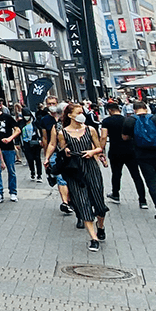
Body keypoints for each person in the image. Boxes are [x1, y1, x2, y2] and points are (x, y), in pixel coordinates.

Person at [54, 102, 108, 251]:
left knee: (99, 203)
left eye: (82, 112)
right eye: (78, 113)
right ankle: (93, 238)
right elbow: (62, 150)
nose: (81, 115)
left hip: (91, 167)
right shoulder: (63, 133)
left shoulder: (90, 130)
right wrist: (65, 152)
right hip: (74, 170)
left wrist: (93, 152)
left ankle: (100, 226)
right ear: (70, 115)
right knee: (82, 202)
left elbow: (99, 147)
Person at [125, 100, 156, 221]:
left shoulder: (130, 121)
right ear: (145, 108)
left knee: (152, 183)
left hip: (143, 156)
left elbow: (124, 137)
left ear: (134, 110)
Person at [99, 101, 147, 208]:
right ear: (119, 109)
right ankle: (143, 200)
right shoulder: (127, 120)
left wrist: (101, 150)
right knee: (136, 175)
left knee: (116, 174)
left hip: (115, 151)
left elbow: (103, 137)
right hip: (130, 150)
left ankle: (115, 194)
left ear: (109, 110)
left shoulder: (106, 121)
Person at [40, 96, 75, 215]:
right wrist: (47, 156)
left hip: (73, 154)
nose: (52, 106)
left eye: (53, 103)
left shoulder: (74, 123)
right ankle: (65, 202)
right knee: (60, 178)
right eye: (49, 104)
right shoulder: (47, 121)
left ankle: (71, 198)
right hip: (56, 153)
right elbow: (47, 140)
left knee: (71, 178)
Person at [0, 100, 21, 202]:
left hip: (8, 148)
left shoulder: (7, 117)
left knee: (11, 171)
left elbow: (17, 130)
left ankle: (13, 192)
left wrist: (10, 138)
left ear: (0, 106)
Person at [20, 112, 44, 182]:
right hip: (26, 143)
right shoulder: (21, 123)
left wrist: (41, 140)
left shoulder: (35, 122)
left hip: (36, 143)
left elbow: (40, 131)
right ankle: (32, 171)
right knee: (30, 159)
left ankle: (39, 175)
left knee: (37, 159)